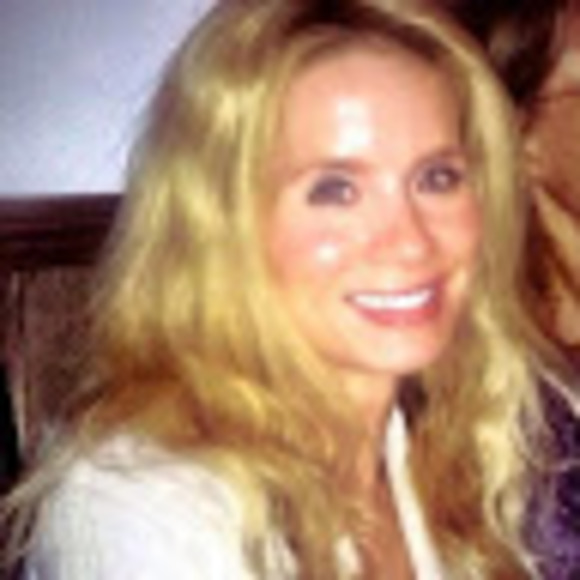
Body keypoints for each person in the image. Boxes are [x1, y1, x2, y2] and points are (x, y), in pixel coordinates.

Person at [2, 0, 578, 578]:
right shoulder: (139, 504)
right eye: (335, 190)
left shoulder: (449, 448)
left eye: (437, 178)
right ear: (224, 225)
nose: (410, 242)